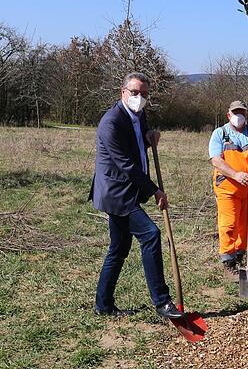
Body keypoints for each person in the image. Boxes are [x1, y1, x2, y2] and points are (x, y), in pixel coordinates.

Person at [89, 72, 183, 319]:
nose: (139, 98)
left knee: (119, 249)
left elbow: (137, 146)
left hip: (126, 190)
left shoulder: (139, 115)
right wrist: (155, 190)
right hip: (116, 193)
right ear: (123, 92)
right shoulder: (111, 122)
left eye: (144, 94)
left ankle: (103, 305)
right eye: (134, 92)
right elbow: (125, 164)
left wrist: (150, 138)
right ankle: (162, 302)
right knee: (151, 235)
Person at [208, 100, 248, 279]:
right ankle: (228, 262)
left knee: (246, 224)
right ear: (229, 115)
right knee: (229, 224)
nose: (239, 115)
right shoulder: (220, 133)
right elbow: (216, 160)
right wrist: (236, 175)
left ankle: (241, 257)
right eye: (235, 112)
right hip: (227, 186)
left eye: (242, 112)